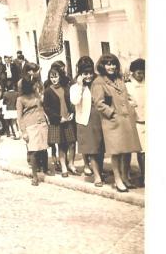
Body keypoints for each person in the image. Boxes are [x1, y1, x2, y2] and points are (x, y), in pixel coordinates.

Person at [91, 53, 142, 192]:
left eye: (113, 64)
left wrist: (131, 104)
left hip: (126, 120)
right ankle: (118, 179)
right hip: (112, 122)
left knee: (127, 150)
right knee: (116, 152)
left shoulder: (119, 79)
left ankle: (125, 177)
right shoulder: (99, 82)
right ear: (102, 66)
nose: (111, 67)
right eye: (108, 64)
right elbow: (99, 103)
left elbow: (126, 96)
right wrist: (112, 113)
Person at [70, 56, 104, 187]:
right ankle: (97, 176)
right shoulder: (75, 87)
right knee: (92, 149)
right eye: (85, 73)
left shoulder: (97, 84)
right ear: (80, 74)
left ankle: (100, 171)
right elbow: (75, 101)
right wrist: (80, 86)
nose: (88, 76)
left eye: (90, 73)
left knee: (100, 148)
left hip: (99, 119)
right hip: (85, 121)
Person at [43, 67, 78, 177]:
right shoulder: (48, 91)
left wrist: (72, 112)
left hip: (68, 120)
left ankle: (71, 164)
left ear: (60, 76)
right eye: (51, 77)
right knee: (61, 145)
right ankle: (63, 167)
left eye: (56, 76)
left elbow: (72, 102)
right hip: (57, 122)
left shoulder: (66, 88)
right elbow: (47, 108)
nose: (54, 79)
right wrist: (58, 118)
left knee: (72, 143)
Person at [16, 74, 50, 186]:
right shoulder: (20, 99)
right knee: (33, 151)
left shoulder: (36, 95)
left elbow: (42, 106)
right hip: (30, 126)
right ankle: (35, 176)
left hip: (42, 123)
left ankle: (45, 169)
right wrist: (23, 132)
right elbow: (19, 117)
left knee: (43, 149)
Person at [126, 58, 145, 187]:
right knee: (138, 151)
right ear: (132, 72)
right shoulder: (128, 86)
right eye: (139, 72)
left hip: (147, 120)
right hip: (135, 122)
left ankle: (146, 175)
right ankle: (129, 174)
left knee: (146, 151)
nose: (141, 75)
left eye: (143, 72)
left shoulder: (148, 84)